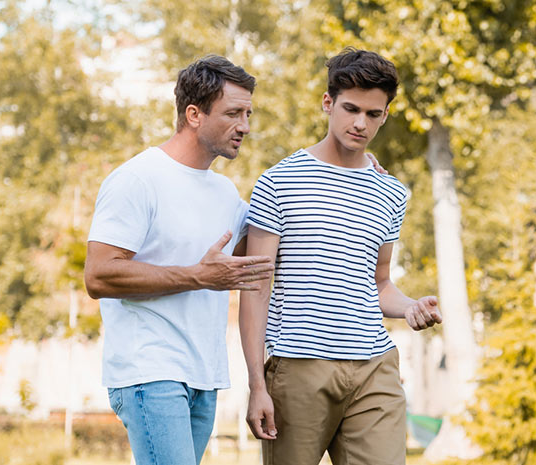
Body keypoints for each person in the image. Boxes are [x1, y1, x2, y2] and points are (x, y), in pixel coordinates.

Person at [239, 47, 443, 465]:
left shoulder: (391, 193)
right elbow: (257, 289)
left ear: (386, 115)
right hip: (298, 365)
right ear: (328, 103)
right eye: (351, 109)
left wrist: (410, 308)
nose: (360, 123)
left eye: (373, 114)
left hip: (374, 367)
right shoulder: (279, 182)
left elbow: (379, 283)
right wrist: (257, 383)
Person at [83, 54, 274, 465]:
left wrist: (357, 167)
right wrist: (197, 276)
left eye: (248, 114)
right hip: (150, 370)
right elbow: (99, 275)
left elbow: (273, 246)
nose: (245, 126)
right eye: (233, 113)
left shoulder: (225, 194)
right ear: (194, 114)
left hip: (204, 375)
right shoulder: (137, 179)